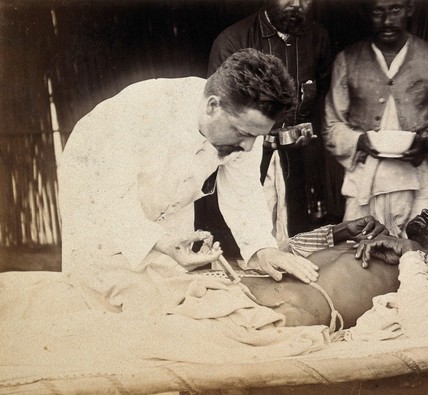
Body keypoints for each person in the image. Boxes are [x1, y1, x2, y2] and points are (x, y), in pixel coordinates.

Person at [58, 48, 319, 285]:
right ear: (212, 106)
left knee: (171, 286)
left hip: (169, 206)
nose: (249, 147)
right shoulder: (139, 110)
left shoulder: (244, 128)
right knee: (100, 285)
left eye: (257, 136)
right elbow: (110, 198)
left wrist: (262, 249)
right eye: (242, 133)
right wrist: (158, 241)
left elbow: (245, 192)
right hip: (93, 190)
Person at [196, 0, 332, 256]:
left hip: (295, 161)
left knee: (293, 234)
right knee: (240, 240)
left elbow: (321, 92)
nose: (296, 4)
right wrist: (261, 137)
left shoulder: (318, 38)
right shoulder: (232, 41)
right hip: (241, 161)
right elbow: (221, 118)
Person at [242, 203, 428, 334]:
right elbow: (275, 255)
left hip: (282, 317)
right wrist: (339, 232)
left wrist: (410, 253)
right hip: (248, 287)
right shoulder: (381, 240)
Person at [323, 0, 428, 238]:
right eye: (377, 11)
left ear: (410, 9)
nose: (387, 21)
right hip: (365, 181)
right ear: (366, 13)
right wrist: (359, 141)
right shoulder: (347, 60)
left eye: (395, 9)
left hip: (421, 181)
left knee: (416, 254)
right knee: (359, 256)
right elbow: (332, 125)